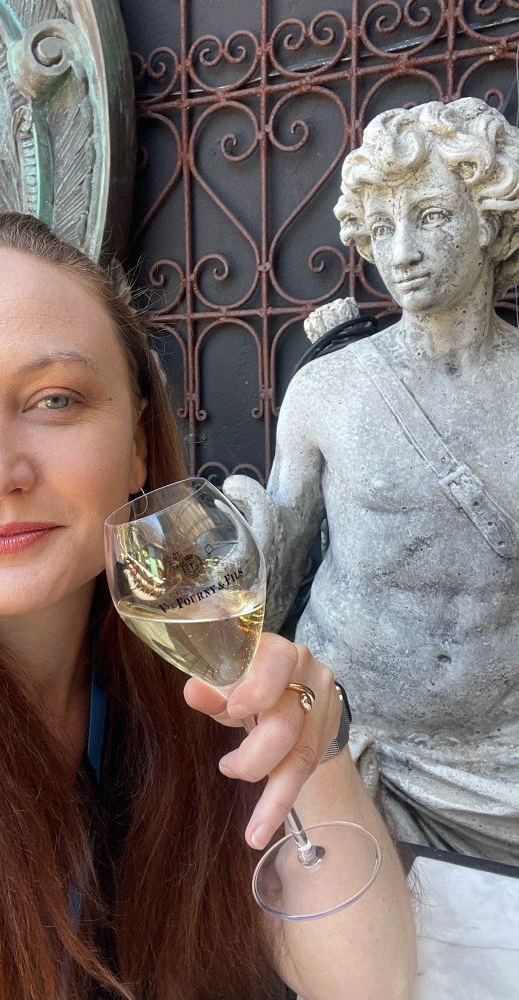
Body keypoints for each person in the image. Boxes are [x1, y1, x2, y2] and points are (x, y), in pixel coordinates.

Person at [0, 213, 415, 1000]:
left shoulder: (175, 651)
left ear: (138, 442)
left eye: (54, 400)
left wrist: (316, 742)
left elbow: (367, 981)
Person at [225, 98, 519, 864]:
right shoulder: (329, 390)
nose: (403, 252)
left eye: (431, 216)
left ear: (488, 220)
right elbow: (280, 568)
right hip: (347, 739)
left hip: (504, 764)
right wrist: (241, 555)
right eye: (382, 228)